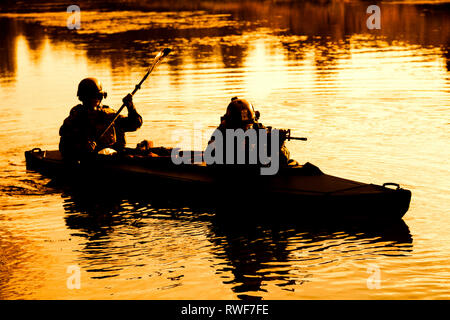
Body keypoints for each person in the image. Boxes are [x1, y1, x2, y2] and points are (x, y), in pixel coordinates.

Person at [59, 78, 143, 159]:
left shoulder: (110, 115)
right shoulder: (74, 119)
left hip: (115, 158)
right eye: (93, 97)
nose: (97, 99)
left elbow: (135, 124)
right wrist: (82, 148)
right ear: (82, 98)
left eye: (98, 96)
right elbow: (64, 148)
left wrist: (130, 107)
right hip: (89, 161)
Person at [206, 97, 293, 168]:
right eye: (240, 128)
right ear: (230, 125)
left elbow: (282, 160)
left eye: (248, 127)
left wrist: (278, 145)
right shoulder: (221, 133)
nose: (244, 131)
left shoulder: (259, 129)